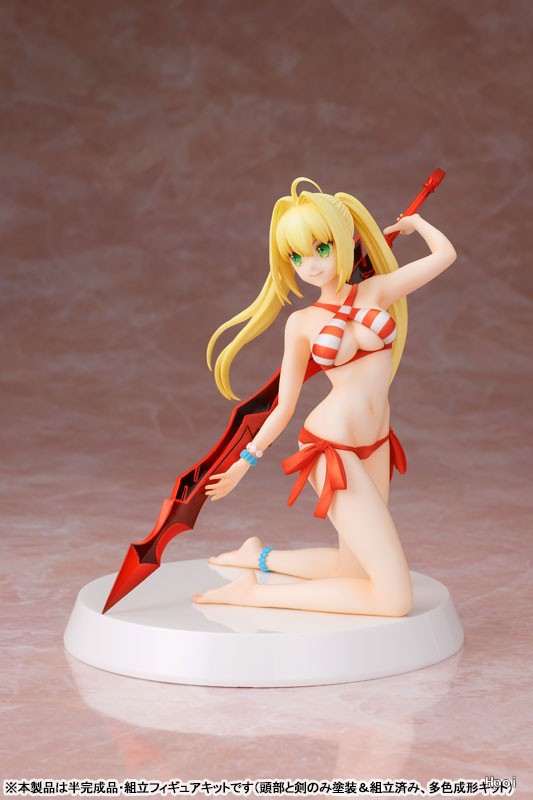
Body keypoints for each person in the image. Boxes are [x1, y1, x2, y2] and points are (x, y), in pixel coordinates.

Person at [192, 177, 456, 615]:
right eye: (296, 257)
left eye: (321, 248)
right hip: (330, 448)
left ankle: (258, 557)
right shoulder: (301, 324)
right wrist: (245, 462)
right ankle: (250, 593)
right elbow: (285, 405)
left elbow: (445, 256)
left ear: (343, 242)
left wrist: (417, 224)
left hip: (376, 443)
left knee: (353, 569)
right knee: (394, 600)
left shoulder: (376, 290)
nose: (311, 265)